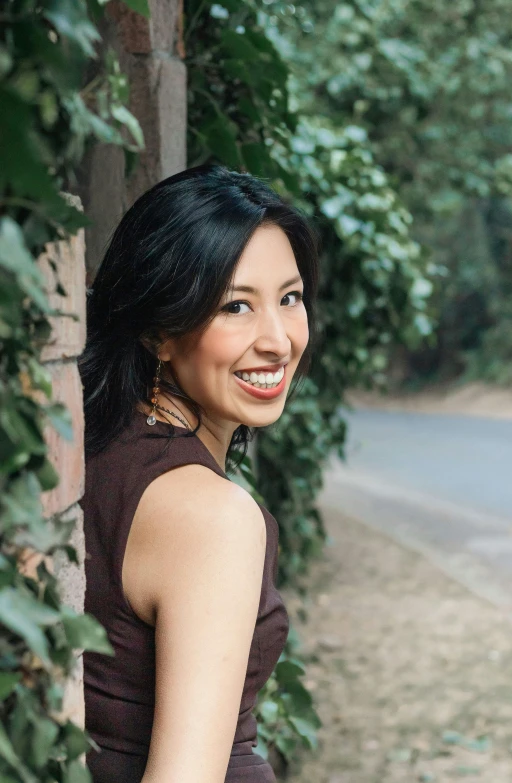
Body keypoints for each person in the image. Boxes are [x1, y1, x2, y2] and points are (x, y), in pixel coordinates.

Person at [79, 163, 319, 783]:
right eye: (235, 306)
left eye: (289, 299)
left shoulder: (97, 452)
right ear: (161, 329)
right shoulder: (211, 518)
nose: (278, 340)